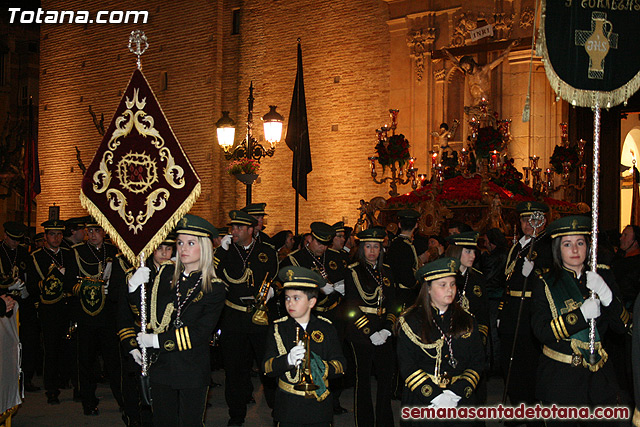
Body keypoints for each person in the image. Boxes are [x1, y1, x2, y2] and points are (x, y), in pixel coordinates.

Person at [531, 215, 630, 422]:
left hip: (600, 377)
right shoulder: (545, 282)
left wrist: (607, 295)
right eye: (567, 244)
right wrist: (580, 315)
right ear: (558, 248)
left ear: (588, 246)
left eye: (580, 243)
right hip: (561, 377)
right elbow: (541, 331)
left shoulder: (602, 276)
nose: (575, 250)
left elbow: (622, 327)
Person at [132, 214, 225, 427]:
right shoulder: (166, 274)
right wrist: (132, 287)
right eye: (180, 242)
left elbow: (200, 332)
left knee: (190, 422)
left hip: (191, 367)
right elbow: (146, 309)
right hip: (162, 365)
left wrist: (155, 341)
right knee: (162, 421)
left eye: (191, 243)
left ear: (204, 248)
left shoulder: (214, 287)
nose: (183, 248)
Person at [396, 257, 484, 425]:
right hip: (423, 400)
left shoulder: (467, 320)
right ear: (428, 289)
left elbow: (478, 361)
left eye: (452, 284)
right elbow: (407, 364)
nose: (449, 290)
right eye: (442, 285)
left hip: (459, 400)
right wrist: (435, 396)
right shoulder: (411, 321)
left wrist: (455, 394)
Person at [214, 210, 278, 426]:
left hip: (259, 317)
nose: (234, 232)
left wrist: (271, 291)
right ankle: (236, 414)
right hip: (234, 318)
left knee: (268, 366)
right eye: (233, 228)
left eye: (239, 228)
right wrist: (219, 252)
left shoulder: (267, 251)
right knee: (234, 370)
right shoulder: (224, 252)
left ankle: (277, 410)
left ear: (251, 230)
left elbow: (275, 277)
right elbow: (211, 276)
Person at [263, 265, 346, 427]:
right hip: (288, 407)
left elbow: (341, 365)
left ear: (312, 302)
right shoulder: (278, 328)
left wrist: (321, 367)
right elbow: (267, 368)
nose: (290, 303)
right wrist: (287, 360)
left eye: (296, 298)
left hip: (318, 408)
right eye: (287, 298)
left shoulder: (326, 327)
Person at [498, 201, 551, 410]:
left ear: (542, 220)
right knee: (510, 358)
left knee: (528, 360)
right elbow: (508, 280)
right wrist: (503, 309)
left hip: (530, 308)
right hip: (513, 307)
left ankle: (531, 406)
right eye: (523, 219)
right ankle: (517, 404)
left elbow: (551, 277)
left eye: (532, 219)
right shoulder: (518, 245)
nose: (528, 224)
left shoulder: (545, 245)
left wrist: (536, 274)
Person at [67, 218, 123, 415]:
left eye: (96, 230)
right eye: (89, 231)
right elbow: (69, 284)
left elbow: (120, 281)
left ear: (104, 232)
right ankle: (88, 402)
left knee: (114, 361)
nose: (92, 234)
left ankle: (124, 401)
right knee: (86, 360)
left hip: (108, 315)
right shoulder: (77, 252)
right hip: (86, 314)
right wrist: (89, 289)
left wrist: (111, 290)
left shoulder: (114, 252)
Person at [344, 227, 397, 426]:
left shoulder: (387, 271)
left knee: (386, 380)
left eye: (376, 246)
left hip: (383, 331)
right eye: (368, 247)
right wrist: (370, 332)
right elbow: (351, 306)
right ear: (361, 249)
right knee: (363, 382)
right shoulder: (353, 271)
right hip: (361, 333)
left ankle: (385, 422)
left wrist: (387, 328)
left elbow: (393, 304)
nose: (373, 251)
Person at [27, 219, 76, 404]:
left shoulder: (68, 254)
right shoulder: (37, 256)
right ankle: (51, 389)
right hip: (49, 308)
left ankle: (66, 381)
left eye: (59, 234)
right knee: (51, 348)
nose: (56, 238)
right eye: (52, 234)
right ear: (46, 236)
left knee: (68, 346)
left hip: (67, 305)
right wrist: (55, 277)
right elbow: (33, 286)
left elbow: (72, 278)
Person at [1, 221, 39, 392]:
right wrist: (7, 287)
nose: (16, 243)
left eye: (19, 240)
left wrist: (26, 291)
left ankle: (26, 378)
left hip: (23, 304)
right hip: (3, 304)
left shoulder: (24, 253)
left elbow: (31, 275)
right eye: (13, 239)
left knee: (28, 341)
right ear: (5, 236)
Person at [386, 209, 428, 311]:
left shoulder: (394, 244)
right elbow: (408, 277)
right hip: (405, 295)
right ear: (416, 226)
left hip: (393, 292)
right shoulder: (407, 246)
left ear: (399, 225)